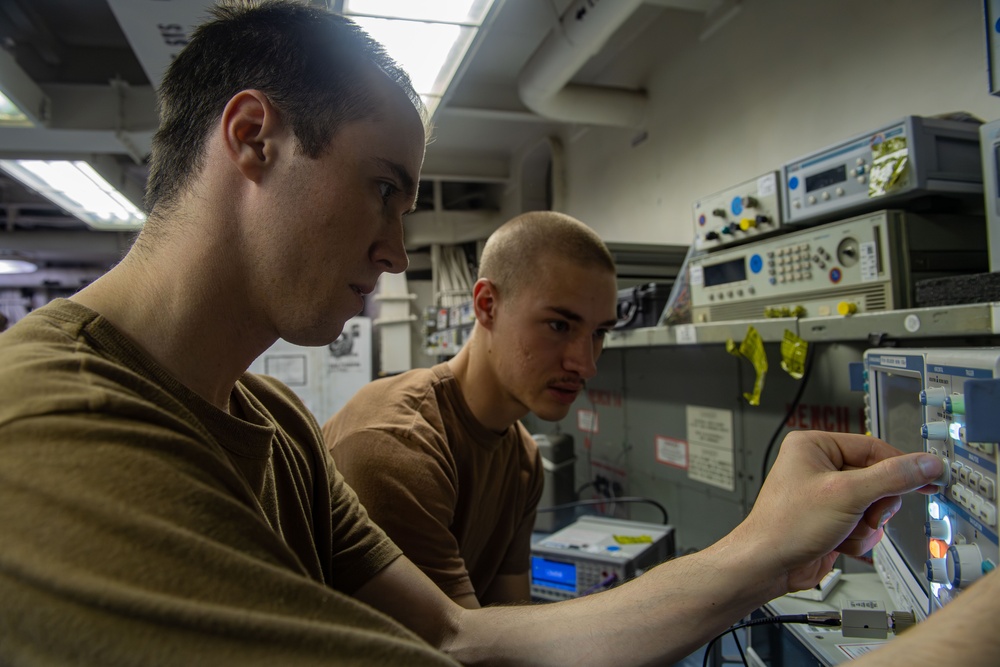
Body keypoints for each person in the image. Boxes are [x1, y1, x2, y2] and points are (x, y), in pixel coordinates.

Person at [0, 1, 994, 665]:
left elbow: (466, 632)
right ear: (253, 138)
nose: (396, 250)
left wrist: (765, 553)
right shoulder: (61, 431)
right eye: (384, 191)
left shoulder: (271, 424)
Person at [323, 211, 618, 608]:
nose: (586, 364)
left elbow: (509, 618)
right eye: (559, 326)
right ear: (487, 305)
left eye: (599, 333)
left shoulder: (524, 460)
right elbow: (455, 642)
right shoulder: (398, 443)